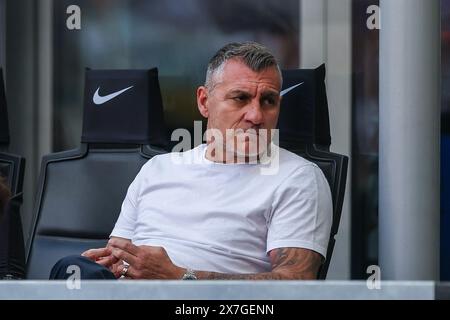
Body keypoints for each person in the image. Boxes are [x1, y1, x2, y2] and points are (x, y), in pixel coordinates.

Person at [50, 42, 332, 281]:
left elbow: (295, 284)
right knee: (71, 270)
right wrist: (109, 264)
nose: (256, 116)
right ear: (204, 101)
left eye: (269, 101)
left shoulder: (298, 177)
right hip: (125, 294)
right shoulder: (157, 169)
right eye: (240, 98)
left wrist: (181, 276)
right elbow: (119, 254)